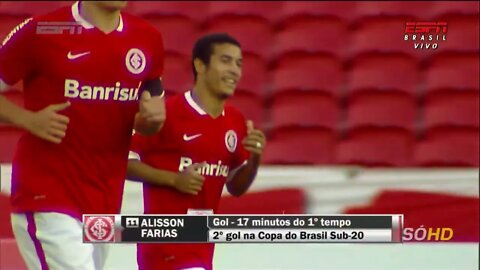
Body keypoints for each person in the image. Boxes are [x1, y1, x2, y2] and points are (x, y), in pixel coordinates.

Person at [0, 1, 165, 269]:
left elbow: (147, 118)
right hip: (47, 195)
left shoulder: (147, 38)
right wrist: (28, 120)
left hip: (103, 203)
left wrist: (151, 122)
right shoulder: (43, 30)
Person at [127, 33, 266, 270]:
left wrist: (254, 159)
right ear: (200, 65)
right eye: (225, 60)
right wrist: (173, 179)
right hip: (165, 245)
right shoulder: (167, 113)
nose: (234, 70)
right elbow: (124, 163)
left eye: (238, 63)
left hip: (202, 247)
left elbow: (235, 187)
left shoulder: (235, 121)